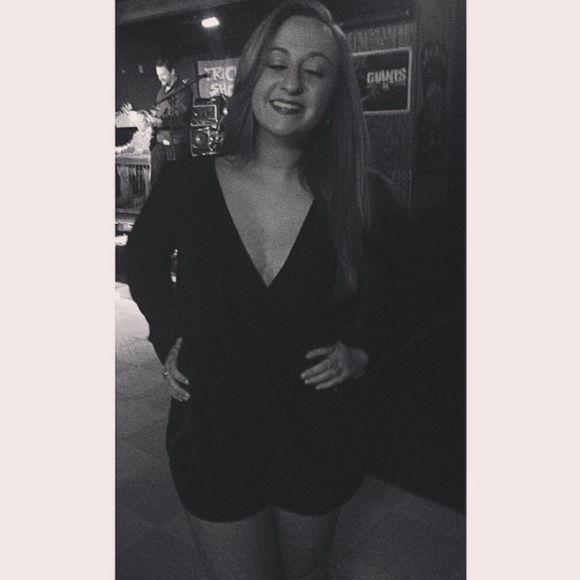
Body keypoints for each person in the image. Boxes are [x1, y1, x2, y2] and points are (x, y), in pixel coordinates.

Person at [123, 2, 409, 578]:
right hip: (212, 429)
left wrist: (364, 349)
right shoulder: (187, 183)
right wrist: (168, 333)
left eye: (315, 70)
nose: (292, 83)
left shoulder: (363, 193)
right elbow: (143, 261)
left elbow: (421, 282)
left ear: (335, 93)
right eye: (276, 64)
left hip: (315, 431)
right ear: (252, 76)